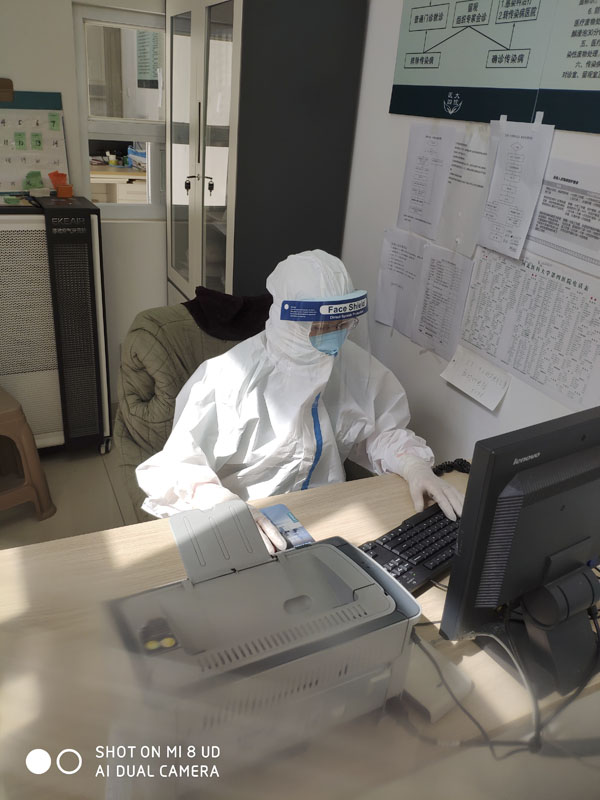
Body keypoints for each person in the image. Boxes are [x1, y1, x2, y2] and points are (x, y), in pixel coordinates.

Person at [136, 250, 464, 553]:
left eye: (342, 324)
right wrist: (221, 504)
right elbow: (176, 467)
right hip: (246, 522)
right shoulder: (229, 378)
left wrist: (413, 464)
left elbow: (380, 432)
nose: (335, 335)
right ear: (290, 319)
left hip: (326, 516)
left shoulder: (352, 365)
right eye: (322, 326)